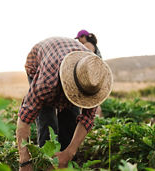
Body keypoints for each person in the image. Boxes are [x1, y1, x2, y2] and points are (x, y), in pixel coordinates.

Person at [16, 37, 113, 171]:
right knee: (47, 120)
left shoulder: (93, 81)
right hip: (39, 62)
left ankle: (63, 163)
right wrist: (24, 162)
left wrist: (69, 153)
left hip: (67, 60)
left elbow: (87, 119)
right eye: (75, 93)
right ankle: (47, 163)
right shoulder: (45, 83)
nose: (78, 97)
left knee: (70, 121)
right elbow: (24, 120)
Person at [75, 30, 103, 116]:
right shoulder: (94, 46)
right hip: (97, 73)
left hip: (91, 74)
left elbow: (85, 59)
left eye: (79, 38)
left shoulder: (87, 45)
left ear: (83, 37)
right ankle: (97, 118)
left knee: (89, 99)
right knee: (95, 98)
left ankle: (93, 117)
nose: (79, 41)